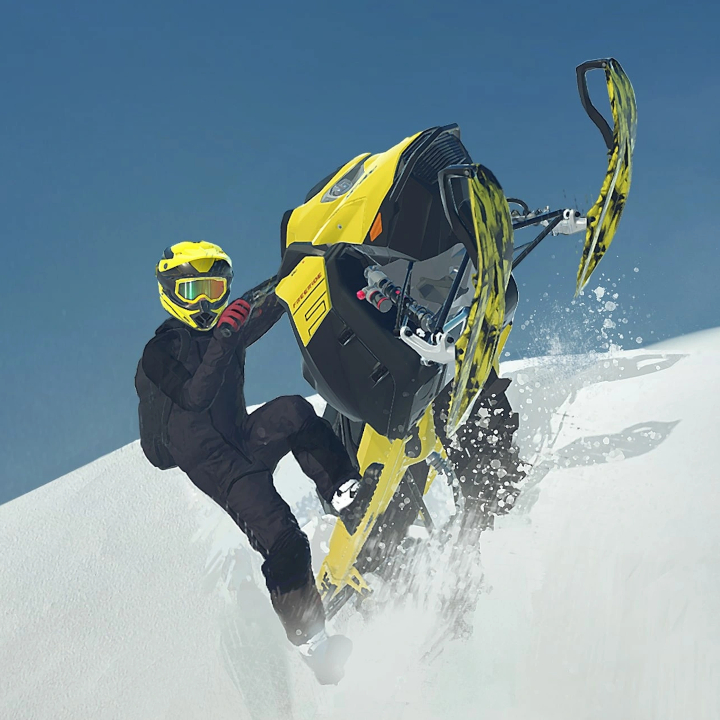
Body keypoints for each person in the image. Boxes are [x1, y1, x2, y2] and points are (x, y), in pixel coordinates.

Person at [135, 240, 381, 684]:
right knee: (284, 539)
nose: (206, 304)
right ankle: (314, 647)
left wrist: (300, 265)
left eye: (214, 290)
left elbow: (268, 304)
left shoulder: (222, 332)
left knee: (294, 412)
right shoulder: (160, 352)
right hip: (214, 463)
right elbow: (195, 396)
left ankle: (345, 493)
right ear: (170, 293)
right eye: (194, 292)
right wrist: (226, 337)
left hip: (243, 437)